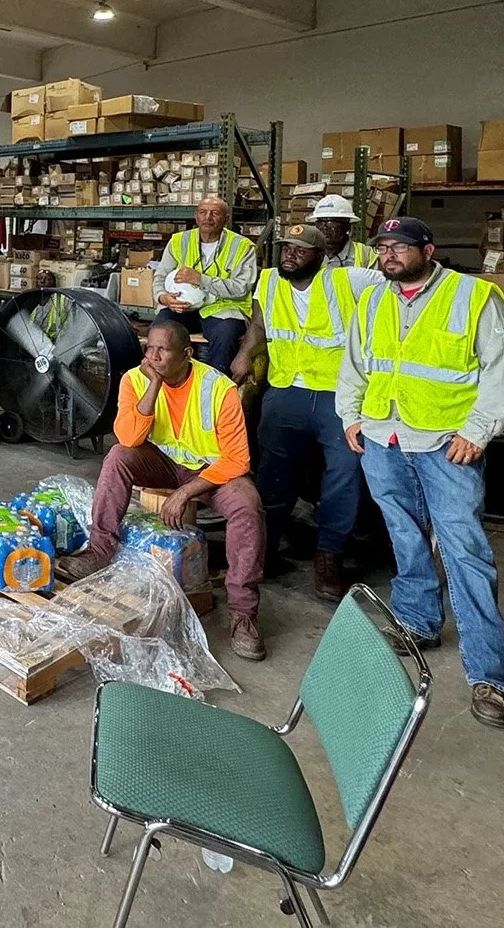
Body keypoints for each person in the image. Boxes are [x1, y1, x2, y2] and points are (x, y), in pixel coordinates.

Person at [336, 216, 504, 731]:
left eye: (399, 247)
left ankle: (492, 677)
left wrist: (478, 432)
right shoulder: (373, 299)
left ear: (428, 250)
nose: (389, 254)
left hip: (447, 444)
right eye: (382, 247)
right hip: (384, 439)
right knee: (403, 535)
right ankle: (418, 622)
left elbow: (500, 370)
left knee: (465, 550)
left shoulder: (474, 297)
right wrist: (352, 417)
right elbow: (354, 365)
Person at [60, 317, 268, 662]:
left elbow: (237, 459)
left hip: (209, 471)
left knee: (248, 503)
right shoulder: (135, 380)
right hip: (162, 461)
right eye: (149, 348)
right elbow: (129, 438)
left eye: (163, 350)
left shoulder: (219, 389)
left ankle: (243, 613)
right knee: (118, 456)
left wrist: (186, 492)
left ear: (187, 353)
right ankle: (99, 551)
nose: (153, 356)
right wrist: (154, 384)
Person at [231, 222, 381, 603]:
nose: (290, 255)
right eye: (286, 248)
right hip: (285, 392)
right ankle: (263, 551)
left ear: (320, 256)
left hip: (338, 397)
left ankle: (328, 557)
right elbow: (259, 325)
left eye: (300, 249)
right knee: (273, 473)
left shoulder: (350, 281)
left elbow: (401, 286)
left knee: (344, 475)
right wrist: (246, 353)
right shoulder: (268, 281)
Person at [152, 195, 257, 373]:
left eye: (214, 213)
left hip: (223, 309)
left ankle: (215, 388)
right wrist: (164, 298)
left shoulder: (242, 247)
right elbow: (160, 277)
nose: (208, 218)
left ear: (226, 219)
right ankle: (162, 382)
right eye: (203, 212)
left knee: (225, 334)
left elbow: (242, 287)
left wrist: (201, 280)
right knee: (160, 329)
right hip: (183, 308)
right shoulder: (179, 241)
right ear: (196, 216)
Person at [310, 194, 378, 268]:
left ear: (347, 226)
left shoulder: (366, 255)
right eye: (320, 221)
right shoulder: (308, 254)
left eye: (330, 221)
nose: (324, 227)